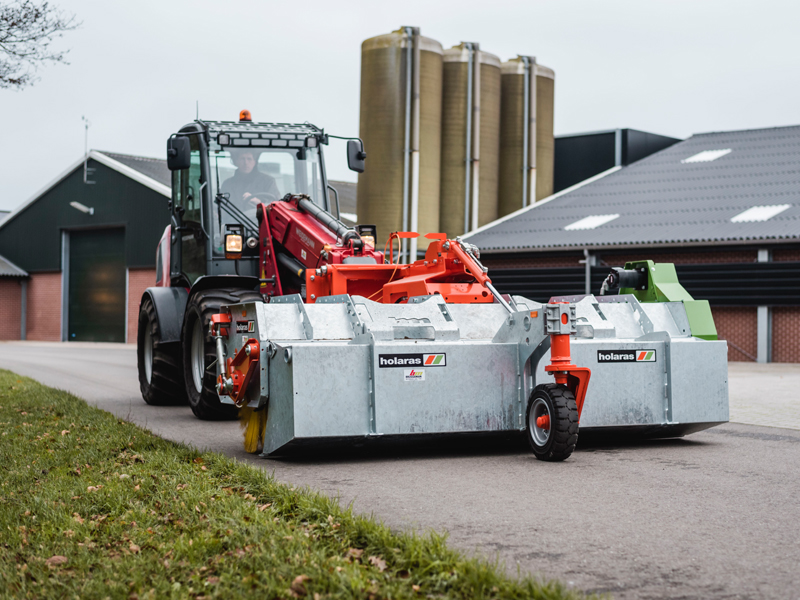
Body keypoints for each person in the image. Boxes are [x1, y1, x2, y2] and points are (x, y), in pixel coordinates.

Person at [221, 149, 281, 215]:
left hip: (259, 222)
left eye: (249, 159)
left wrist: (259, 202)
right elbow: (222, 208)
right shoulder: (227, 184)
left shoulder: (268, 181)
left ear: (254, 162)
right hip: (234, 222)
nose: (246, 163)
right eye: (242, 159)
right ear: (236, 161)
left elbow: (276, 207)